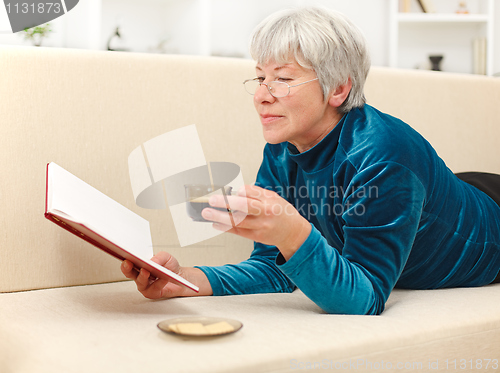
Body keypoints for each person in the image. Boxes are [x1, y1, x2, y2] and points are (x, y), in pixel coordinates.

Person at [121, 7, 500, 315]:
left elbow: (364, 299)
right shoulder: (284, 145)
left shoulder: (383, 156)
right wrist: (187, 280)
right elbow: (275, 267)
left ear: (339, 88)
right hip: (453, 195)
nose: (262, 96)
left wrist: (289, 231)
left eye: (282, 79)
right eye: (259, 78)